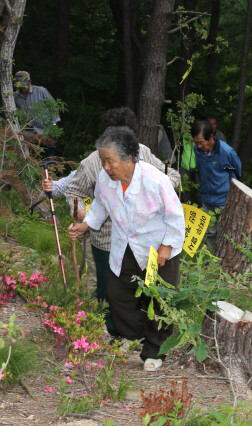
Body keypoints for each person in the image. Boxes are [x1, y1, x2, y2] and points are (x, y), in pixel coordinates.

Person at [50, 107, 179, 339]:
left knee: (151, 291)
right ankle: (120, 335)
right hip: (108, 240)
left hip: (147, 242)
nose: (107, 166)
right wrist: (83, 219)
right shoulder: (94, 163)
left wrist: (161, 186)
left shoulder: (145, 156)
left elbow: (173, 189)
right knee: (113, 292)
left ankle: (151, 340)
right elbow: (84, 195)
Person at [68, 126, 185, 373]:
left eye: (110, 162)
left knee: (159, 298)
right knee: (117, 294)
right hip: (126, 246)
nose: (106, 168)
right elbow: (100, 204)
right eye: (103, 162)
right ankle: (139, 333)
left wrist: (167, 247)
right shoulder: (105, 179)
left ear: (129, 158)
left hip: (157, 249)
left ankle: (155, 351)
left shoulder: (156, 181)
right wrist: (86, 224)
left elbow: (176, 216)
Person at [191, 120, 242, 248]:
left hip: (224, 200)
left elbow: (237, 170)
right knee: (210, 233)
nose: (198, 146)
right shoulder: (197, 151)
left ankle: (224, 263)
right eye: (195, 142)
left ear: (211, 137)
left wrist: (224, 179)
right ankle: (213, 262)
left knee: (225, 233)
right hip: (207, 198)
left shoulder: (225, 152)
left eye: (201, 142)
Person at [13, 71, 60, 157]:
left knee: (50, 158)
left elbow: (53, 107)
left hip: (46, 130)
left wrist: (53, 125)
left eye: (24, 86)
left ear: (30, 82)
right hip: (29, 134)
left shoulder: (41, 91)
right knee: (32, 159)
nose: (22, 89)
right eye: (20, 87)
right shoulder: (15, 97)